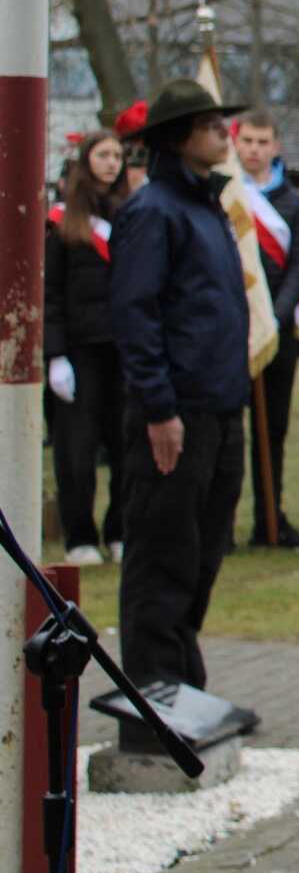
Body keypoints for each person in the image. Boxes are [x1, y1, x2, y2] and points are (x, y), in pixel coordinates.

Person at [108, 80, 251, 698]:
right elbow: (136, 316)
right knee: (162, 554)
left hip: (219, 407)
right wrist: (159, 407)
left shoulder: (206, 206)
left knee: (202, 551)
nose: (224, 132)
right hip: (176, 412)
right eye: (209, 123)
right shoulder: (153, 211)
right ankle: (154, 688)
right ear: (178, 137)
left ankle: (182, 678)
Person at [45, 130, 132, 565]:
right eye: (103, 154)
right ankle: (79, 535)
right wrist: (55, 355)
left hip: (125, 347)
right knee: (76, 450)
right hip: (80, 349)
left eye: (117, 155)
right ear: (85, 161)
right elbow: (50, 294)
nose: (112, 162)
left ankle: (120, 529)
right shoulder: (62, 221)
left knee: (126, 445)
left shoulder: (132, 212)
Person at [234, 112, 299, 550]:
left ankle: (270, 519)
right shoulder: (227, 194)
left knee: (273, 430)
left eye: (262, 141)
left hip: (277, 332)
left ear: (276, 146)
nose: (254, 149)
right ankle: (220, 525)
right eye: (247, 141)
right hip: (230, 331)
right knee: (227, 431)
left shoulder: (293, 203)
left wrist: (276, 316)